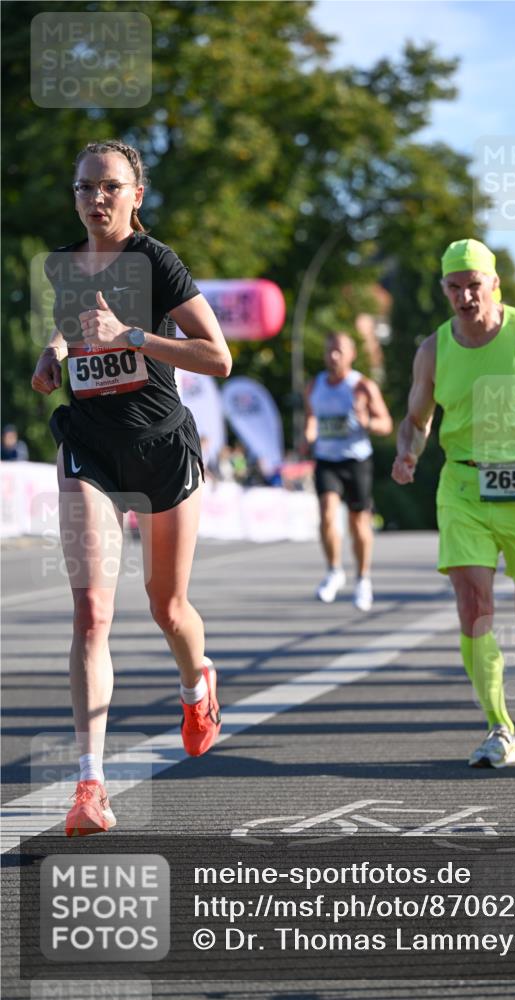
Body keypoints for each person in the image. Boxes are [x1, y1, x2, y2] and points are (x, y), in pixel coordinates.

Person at [31, 139, 232, 836]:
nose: (97, 198)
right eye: (85, 186)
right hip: (89, 446)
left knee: (167, 607)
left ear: (135, 195)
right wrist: (53, 354)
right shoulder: (65, 265)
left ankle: (196, 683)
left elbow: (218, 357)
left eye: (111, 186)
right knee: (91, 613)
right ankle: (90, 786)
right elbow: (72, 331)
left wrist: (135, 336)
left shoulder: (156, 262)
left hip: (161, 450)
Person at [392, 238, 515, 768]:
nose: (465, 296)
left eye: (474, 285)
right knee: (473, 605)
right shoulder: (433, 349)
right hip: (463, 488)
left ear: (494, 284)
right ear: (444, 290)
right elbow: (416, 419)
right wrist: (408, 452)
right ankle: (499, 727)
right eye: (454, 287)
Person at [304, 332, 393, 612]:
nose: (333, 356)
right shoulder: (314, 385)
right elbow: (311, 419)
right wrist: (308, 436)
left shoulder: (362, 386)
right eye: (329, 350)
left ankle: (363, 580)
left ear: (351, 355)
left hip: (356, 460)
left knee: (358, 522)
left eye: (339, 351)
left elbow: (386, 424)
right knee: (327, 513)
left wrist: (367, 422)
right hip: (326, 459)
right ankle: (334, 571)